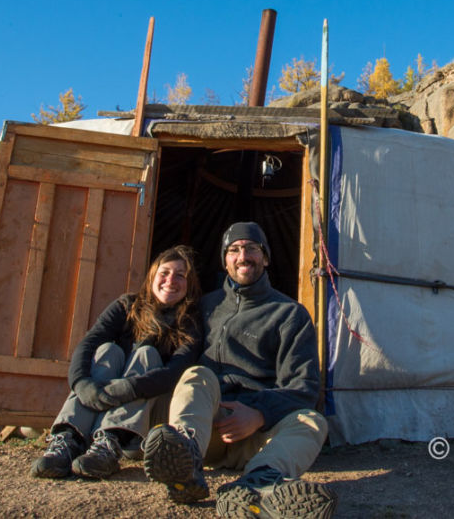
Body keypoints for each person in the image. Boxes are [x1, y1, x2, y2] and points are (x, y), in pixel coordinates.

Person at [141, 221, 337, 519]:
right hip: (206, 429)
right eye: (234, 249)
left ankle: (257, 482)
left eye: (252, 248)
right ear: (225, 260)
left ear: (265, 257)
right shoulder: (204, 307)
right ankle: (185, 461)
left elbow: (304, 388)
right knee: (197, 375)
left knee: (312, 422)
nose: (243, 255)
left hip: (257, 438)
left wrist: (258, 414)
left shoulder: (290, 314)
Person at [30, 245, 202, 480]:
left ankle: (109, 443)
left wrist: (128, 387)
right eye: (165, 272)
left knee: (147, 355)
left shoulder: (190, 322)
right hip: (103, 396)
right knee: (107, 350)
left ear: (189, 284)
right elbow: (87, 344)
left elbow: (175, 371)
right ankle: (68, 439)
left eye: (180, 275)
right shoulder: (127, 306)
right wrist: (82, 384)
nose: (170, 280)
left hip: (146, 412)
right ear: (152, 275)